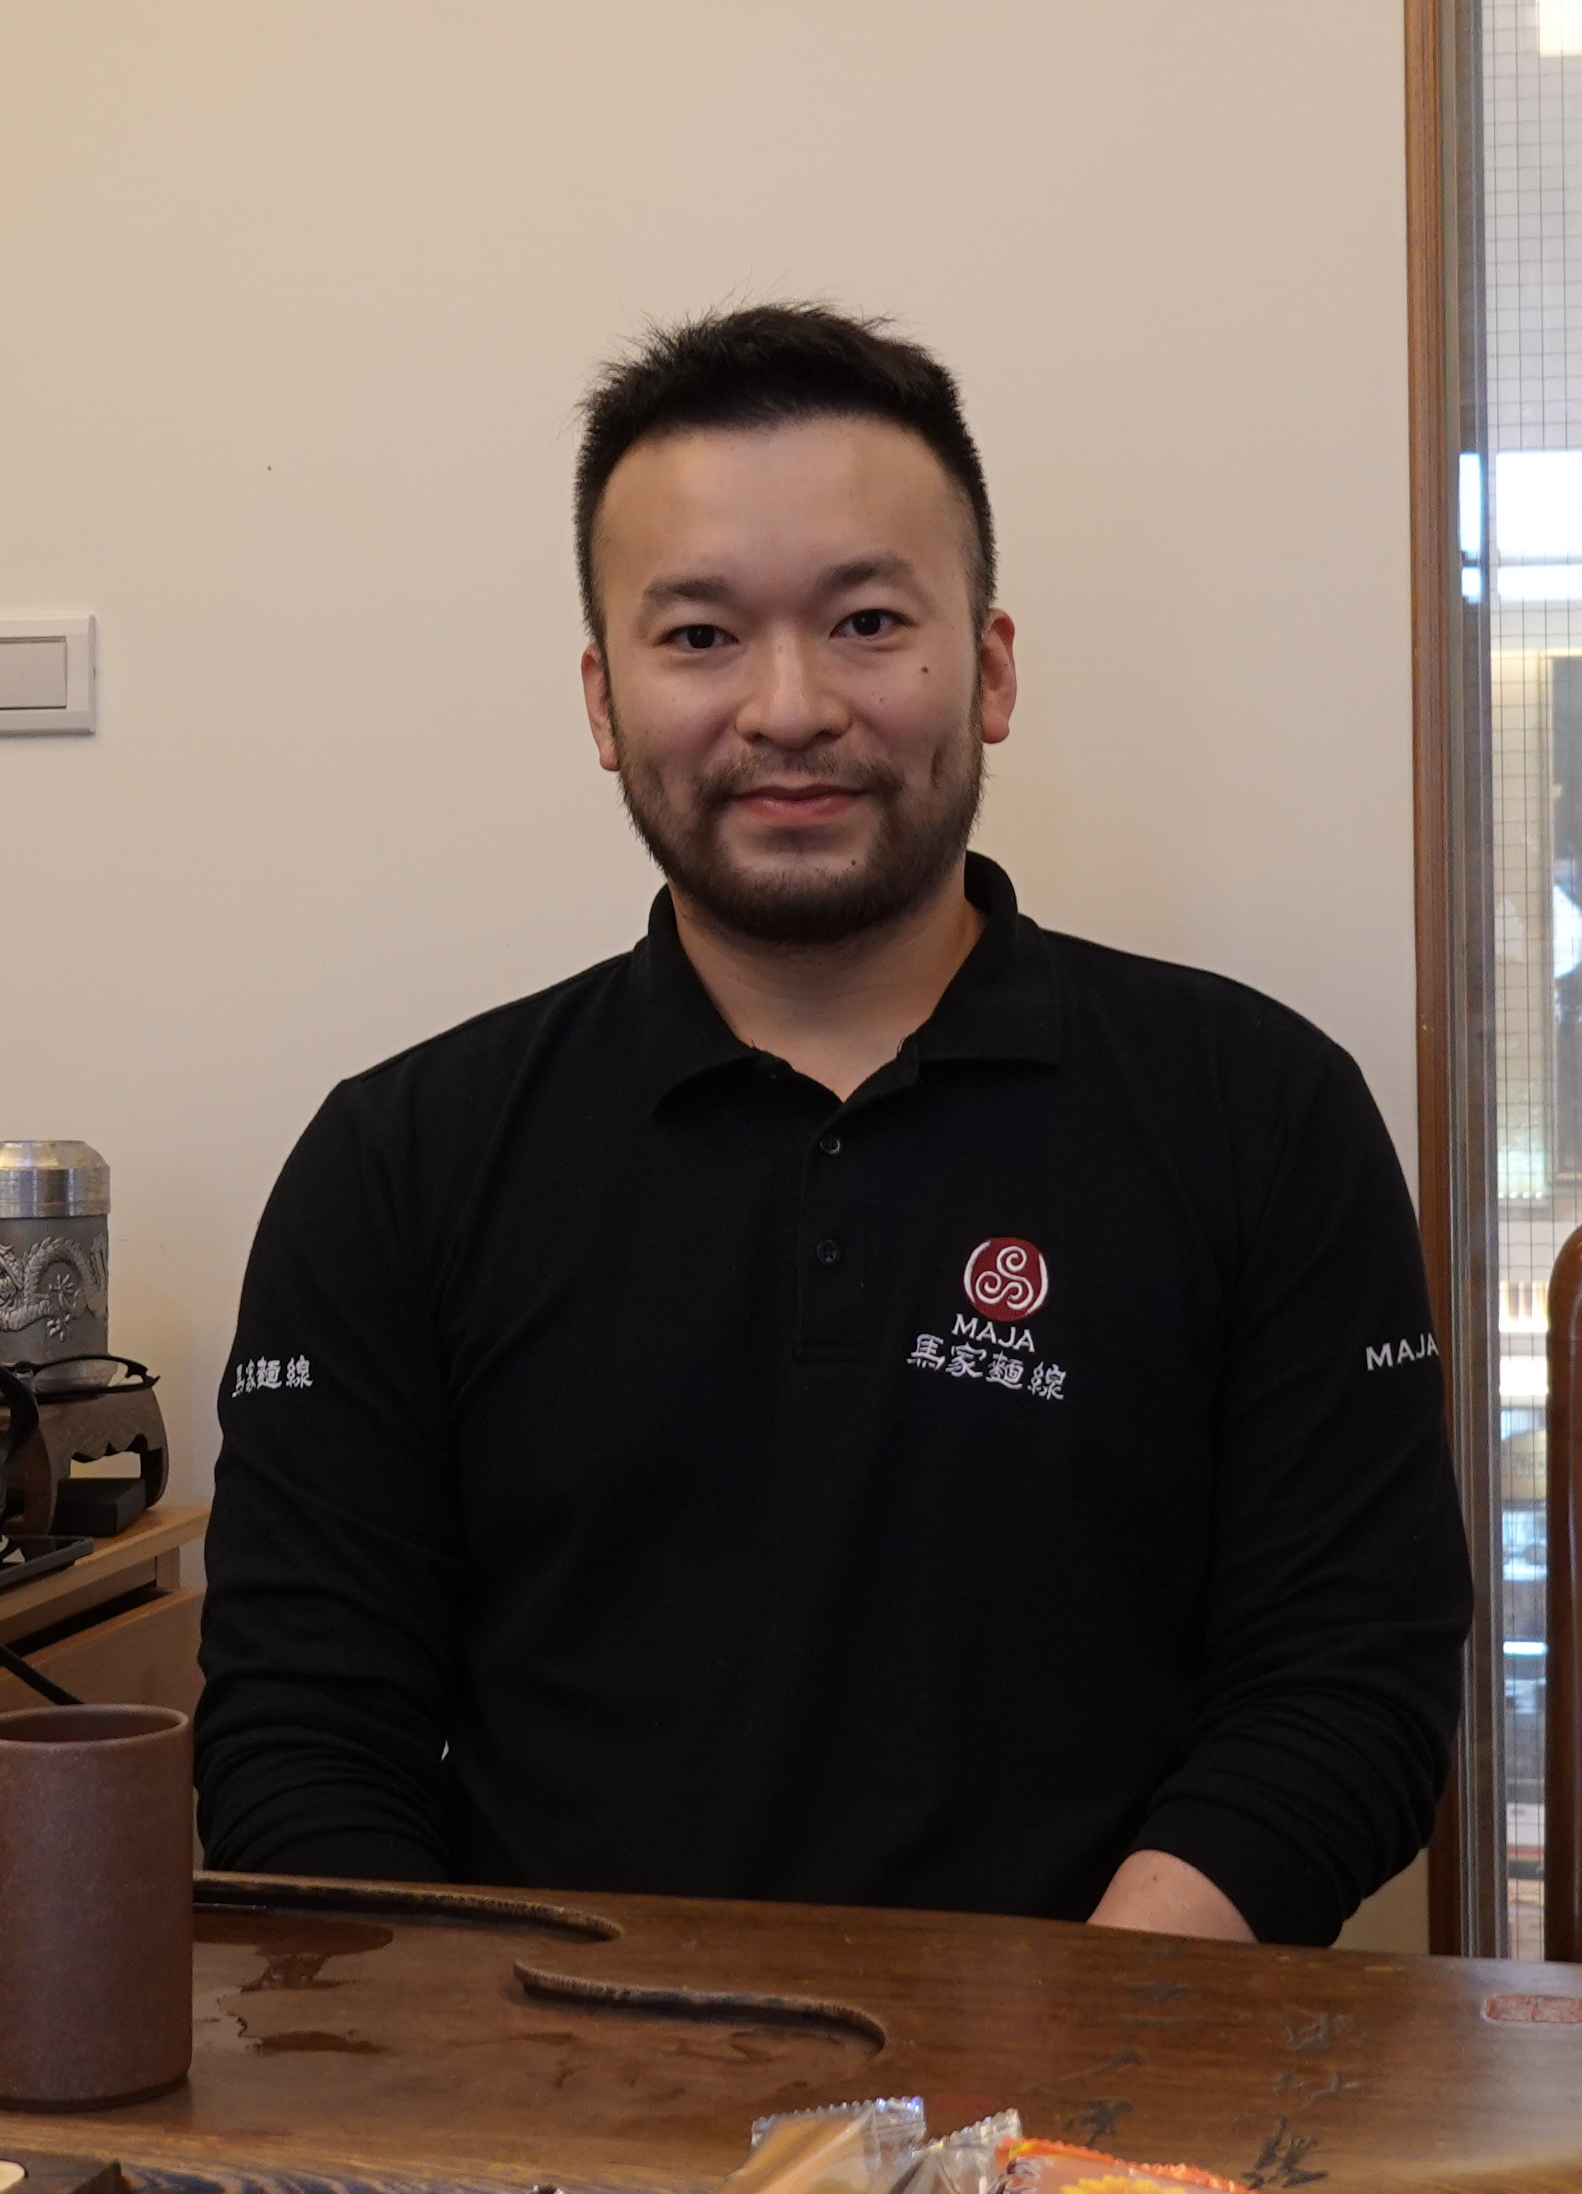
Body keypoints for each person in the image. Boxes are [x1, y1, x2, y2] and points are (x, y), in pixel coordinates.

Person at [190, 304, 1470, 1944]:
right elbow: (306, 1737)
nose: (788, 707)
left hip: (1105, 2128)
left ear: (990, 667)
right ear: (603, 701)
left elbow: (1346, 1679)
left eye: (868, 622)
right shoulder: (398, 1163)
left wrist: (1074, 2073)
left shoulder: (1262, 1112)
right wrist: (500, 2087)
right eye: (702, 637)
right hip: (556, 2136)